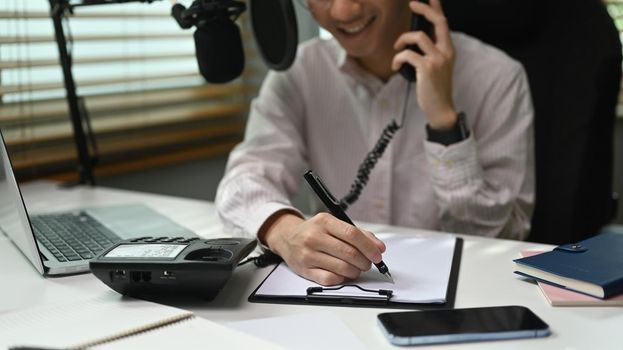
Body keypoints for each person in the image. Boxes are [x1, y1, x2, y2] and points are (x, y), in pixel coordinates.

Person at [216, 0, 534, 285]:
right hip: (338, 294)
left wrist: (445, 123)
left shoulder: (497, 77)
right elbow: (241, 183)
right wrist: (287, 234)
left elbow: (501, 238)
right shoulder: (300, 74)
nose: (344, 11)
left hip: (465, 292)